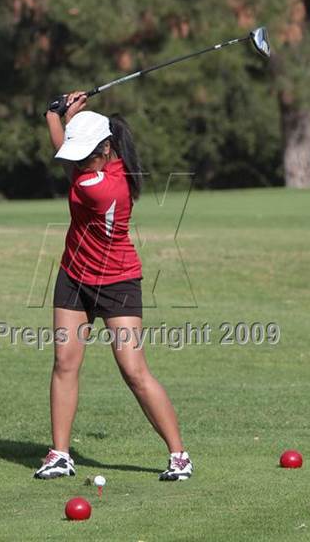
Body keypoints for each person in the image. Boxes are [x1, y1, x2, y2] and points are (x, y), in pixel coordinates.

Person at [34, 91, 193, 481]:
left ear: (105, 150)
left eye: (84, 154)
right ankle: (60, 454)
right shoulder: (102, 161)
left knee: (133, 369)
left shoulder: (101, 186)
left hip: (117, 281)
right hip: (74, 274)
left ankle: (179, 456)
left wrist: (60, 115)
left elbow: (63, 153)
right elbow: (66, 147)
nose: (78, 160)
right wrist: (56, 113)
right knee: (65, 363)